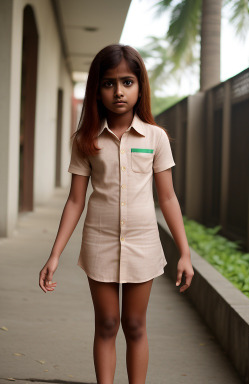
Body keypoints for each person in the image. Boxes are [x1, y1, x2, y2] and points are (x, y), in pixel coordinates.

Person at [39, 44, 194, 384]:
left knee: (135, 325)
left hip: (143, 245)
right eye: (109, 83)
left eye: (127, 82)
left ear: (140, 87)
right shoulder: (86, 140)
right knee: (107, 324)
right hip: (100, 242)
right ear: (97, 89)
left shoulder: (156, 138)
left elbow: (167, 197)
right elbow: (75, 201)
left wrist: (184, 252)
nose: (119, 91)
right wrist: (55, 254)